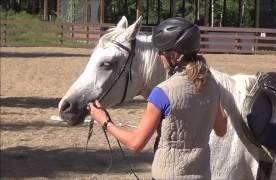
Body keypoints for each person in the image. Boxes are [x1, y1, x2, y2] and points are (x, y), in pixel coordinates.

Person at [88, 17, 227, 179]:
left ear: (174, 56)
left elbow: (135, 143)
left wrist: (104, 121)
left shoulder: (162, 93)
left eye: (161, 52)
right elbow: (221, 130)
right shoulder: (212, 86)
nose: (159, 56)